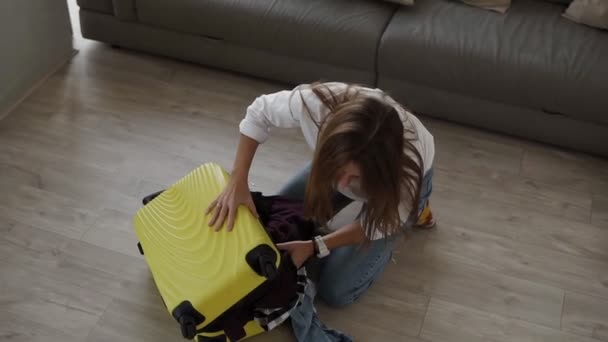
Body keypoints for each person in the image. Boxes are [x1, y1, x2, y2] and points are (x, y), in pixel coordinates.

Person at [206, 81, 435, 309]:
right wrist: (238, 179)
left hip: (390, 191)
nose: (342, 184)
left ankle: (413, 213)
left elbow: (371, 227)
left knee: (336, 290)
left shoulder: (406, 171)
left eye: (354, 178)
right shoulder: (315, 105)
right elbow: (259, 112)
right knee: (280, 218)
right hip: (345, 161)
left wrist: (314, 246)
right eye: (340, 169)